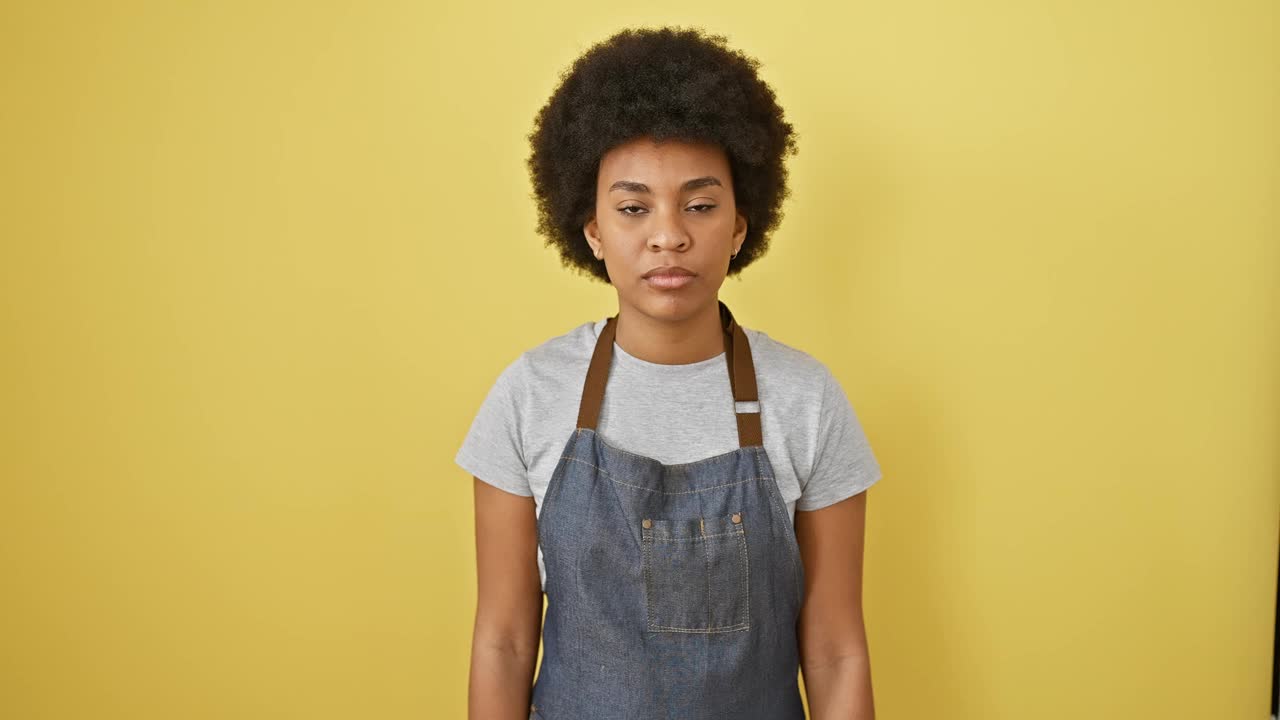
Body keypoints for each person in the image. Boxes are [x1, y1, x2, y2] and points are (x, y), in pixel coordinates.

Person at [455, 25, 882, 719]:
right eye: (632, 208)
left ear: (741, 226)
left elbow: (836, 648)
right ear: (591, 230)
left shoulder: (807, 399)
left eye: (700, 205)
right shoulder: (529, 395)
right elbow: (503, 641)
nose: (668, 235)